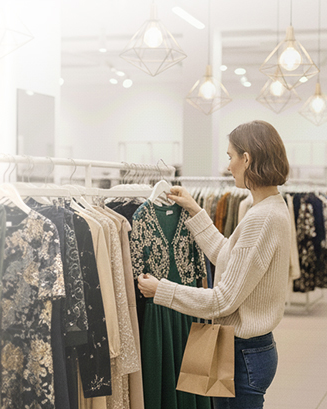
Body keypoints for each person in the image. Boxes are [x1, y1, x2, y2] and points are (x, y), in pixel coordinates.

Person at [137, 120, 293, 409]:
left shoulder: (261, 218)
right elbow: (227, 256)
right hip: (248, 350)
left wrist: (161, 290)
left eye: (231, 156)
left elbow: (223, 301)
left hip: (243, 353)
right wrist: (195, 210)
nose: (229, 165)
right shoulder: (268, 208)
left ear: (247, 159)